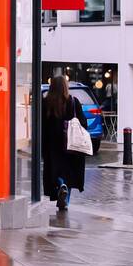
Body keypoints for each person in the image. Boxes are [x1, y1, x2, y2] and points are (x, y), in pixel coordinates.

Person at [42, 74, 89, 212]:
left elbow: (41, 126)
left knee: (54, 171)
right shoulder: (73, 101)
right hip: (71, 144)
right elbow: (83, 123)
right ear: (65, 87)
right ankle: (65, 198)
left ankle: (60, 185)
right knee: (69, 172)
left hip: (52, 144)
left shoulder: (45, 103)